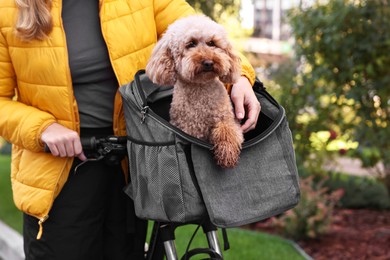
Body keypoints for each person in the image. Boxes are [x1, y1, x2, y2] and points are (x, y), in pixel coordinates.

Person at [0, 0, 261, 259]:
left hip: (131, 166)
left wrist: (242, 79)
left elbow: (204, 31)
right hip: (57, 173)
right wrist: (42, 128)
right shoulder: (8, 8)